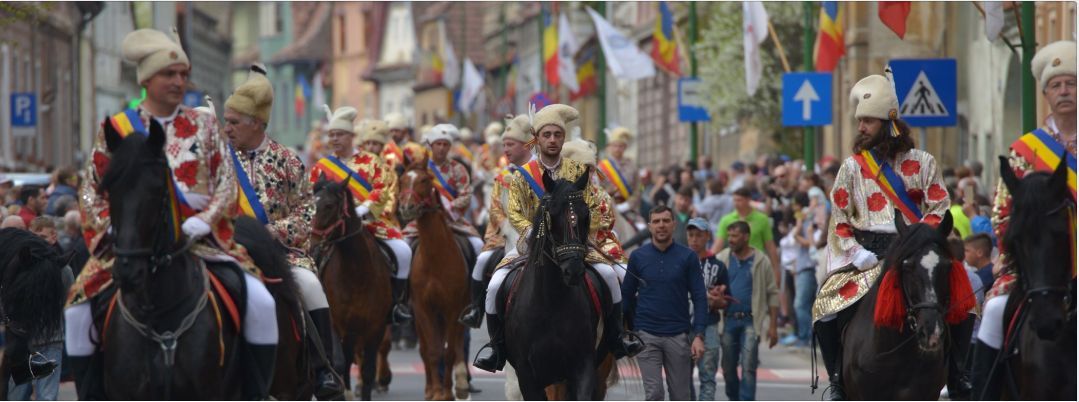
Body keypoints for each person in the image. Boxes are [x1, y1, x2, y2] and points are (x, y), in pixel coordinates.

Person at [66, 28, 277, 401]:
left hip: (201, 244)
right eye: (169, 74)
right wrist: (113, 228)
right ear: (147, 79)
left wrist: (204, 221)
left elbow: (226, 183)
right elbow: (91, 190)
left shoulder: (206, 127)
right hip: (128, 246)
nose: (179, 81)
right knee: (76, 314)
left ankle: (256, 393)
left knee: (261, 301)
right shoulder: (116, 129)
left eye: (183, 74)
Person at [813, 71, 954, 400]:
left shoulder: (923, 163)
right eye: (860, 121)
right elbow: (839, 216)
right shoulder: (851, 167)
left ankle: (959, 374)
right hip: (865, 255)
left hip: (914, 250)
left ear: (889, 124)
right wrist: (854, 252)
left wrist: (920, 241)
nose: (861, 128)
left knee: (967, 301)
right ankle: (837, 378)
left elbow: (940, 207)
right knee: (825, 307)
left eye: (869, 122)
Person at [474, 104, 641, 372]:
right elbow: (515, 210)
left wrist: (581, 233)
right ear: (536, 139)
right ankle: (497, 348)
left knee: (611, 276)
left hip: (573, 243)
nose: (552, 140)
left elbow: (588, 205)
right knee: (495, 285)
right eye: (547, 135)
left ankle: (616, 338)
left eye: (557, 135)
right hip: (532, 243)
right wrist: (531, 232)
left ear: (564, 138)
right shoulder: (521, 174)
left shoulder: (577, 171)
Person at [222, 68, 343, 398]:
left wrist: (274, 232)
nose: (226, 128)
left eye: (234, 122)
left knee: (310, 286)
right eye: (226, 121)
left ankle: (323, 370)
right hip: (228, 251)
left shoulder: (288, 160)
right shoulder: (217, 160)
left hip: (281, 254)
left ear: (256, 123)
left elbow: (307, 211)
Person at [975, 40, 1076, 401]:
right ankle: (983, 392)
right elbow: (1003, 214)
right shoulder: (1024, 152)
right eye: (1056, 85)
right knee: (994, 311)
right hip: (1037, 270)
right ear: (1046, 93)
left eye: (1072, 82)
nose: (1064, 91)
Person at [311, 105, 413, 324]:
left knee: (404, 251)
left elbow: (382, 189)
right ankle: (314, 306)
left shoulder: (371, 161)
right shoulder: (322, 166)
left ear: (351, 136)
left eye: (339, 134)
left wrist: (362, 209)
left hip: (369, 223)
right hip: (330, 228)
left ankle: (396, 304)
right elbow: (311, 196)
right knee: (309, 258)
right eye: (332, 135)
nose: (334, 139)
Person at [622, 206, 708, 401]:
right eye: (657, 221)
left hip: (678, 336)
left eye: (666, 221)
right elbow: (626, 296)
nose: (661, 225)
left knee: (681, 396)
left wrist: (699, 335)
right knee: (654, 394)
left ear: (673, 224)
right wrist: (618, 331)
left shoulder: (688, 257)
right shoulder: (637, 257)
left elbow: (700, 297)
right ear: (650, 226)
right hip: (646, 335)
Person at [460, 115, 534, 328]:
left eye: (510, 144)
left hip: (538, 235)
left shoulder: (540, 173)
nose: (505, 150)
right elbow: (495, 208)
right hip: (505, 236)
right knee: (482, 262)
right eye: (504, 145)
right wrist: (507, 228)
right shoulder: (502, 176)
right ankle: (476, 310)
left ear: (527, 145)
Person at [716, 221, 779, 401]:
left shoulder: (761, 260)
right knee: (728, 368)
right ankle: (734, 398)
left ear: (746, 237)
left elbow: (773, 294)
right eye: (729, 236)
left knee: (749, 367)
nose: (731, 240)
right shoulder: (722, 258)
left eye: (735, 236)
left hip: (750, 321)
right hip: (727, 320)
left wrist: (773, 327)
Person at [403, 123, 483, 256]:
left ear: (449, 147)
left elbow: (466, 195)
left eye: (445, 144)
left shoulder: (458, 168)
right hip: (423, 219)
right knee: (403, 244)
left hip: (452, 219)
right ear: (431, 145)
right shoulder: (421, 169)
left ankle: (475, 277)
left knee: (478, 245)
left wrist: (450, 207)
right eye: (438, 144)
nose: (441, 148)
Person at [686, 217, 728, 402]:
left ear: (707, 237)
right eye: (691, 235)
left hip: (709, 325)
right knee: (681, 378)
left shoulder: (718, 266)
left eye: (699, 235)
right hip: (682, 325)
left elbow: (726, 301)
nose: (694, 239)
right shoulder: (679, 261)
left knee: (708, 376)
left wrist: (717, 300)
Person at [711, 187, 781, 286]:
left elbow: (770, 247)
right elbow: (717, 246)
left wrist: (776, 271)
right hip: (734, 264)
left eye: (739, 200)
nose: (736, 203)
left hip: (756, 264)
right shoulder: (726, 220)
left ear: (748, 200)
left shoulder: (762, 219)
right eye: (734, 200)